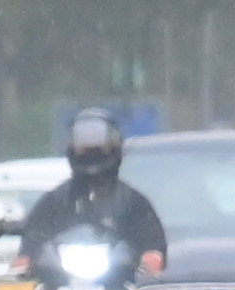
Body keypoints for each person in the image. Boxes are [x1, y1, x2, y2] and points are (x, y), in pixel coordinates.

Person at [14, 112, 166, 272]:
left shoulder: (133, 201)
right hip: (60, 281)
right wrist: (26, 258)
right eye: (82, 147)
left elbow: (152, 239)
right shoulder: (55, 200)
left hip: (119, 281)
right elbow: (34, 235)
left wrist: (151, 257)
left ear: (114, 146)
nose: (91, 151)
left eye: (100, 146)